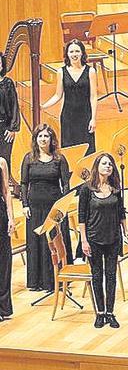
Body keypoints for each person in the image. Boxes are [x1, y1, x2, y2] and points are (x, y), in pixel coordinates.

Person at [78, 152, 127, 329]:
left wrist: (126, 231)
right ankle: (99, 313)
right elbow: (81, 217)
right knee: (97, 276)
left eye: (110, 164)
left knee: (111, 276)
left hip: (113, 238)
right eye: (104, 163)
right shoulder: (86, 189)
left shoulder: (116, 188)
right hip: (93, 239)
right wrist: (83, 240)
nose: (108, 166)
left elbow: (121, 212)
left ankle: (110, 312)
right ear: (97, 166)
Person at [20, 124, 69, 293]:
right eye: (40, 136)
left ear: (51, 139)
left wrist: (62, 207)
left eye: (46, 136)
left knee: (54, 242)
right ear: (36, 139)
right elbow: (24, 183)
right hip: (34, 206)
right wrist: (24, 204)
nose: (43, 139)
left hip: (53, 207)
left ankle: (55, 280)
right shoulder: (29, 158)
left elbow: (66, 184)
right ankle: (36, 281)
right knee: (36, 242)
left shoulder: (59, 159)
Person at [41, 39, 97, 152]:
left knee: (87, 148)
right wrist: (43, 106)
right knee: (69, 148)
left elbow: (93, 96)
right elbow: (58, 95)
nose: (74, 54)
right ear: (67, 54)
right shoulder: (61, 72)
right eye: (71, 52)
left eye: (77, 51)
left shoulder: (90, 71)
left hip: (85, 115)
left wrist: (93, 119)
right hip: (68, 116)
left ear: (82, 53)